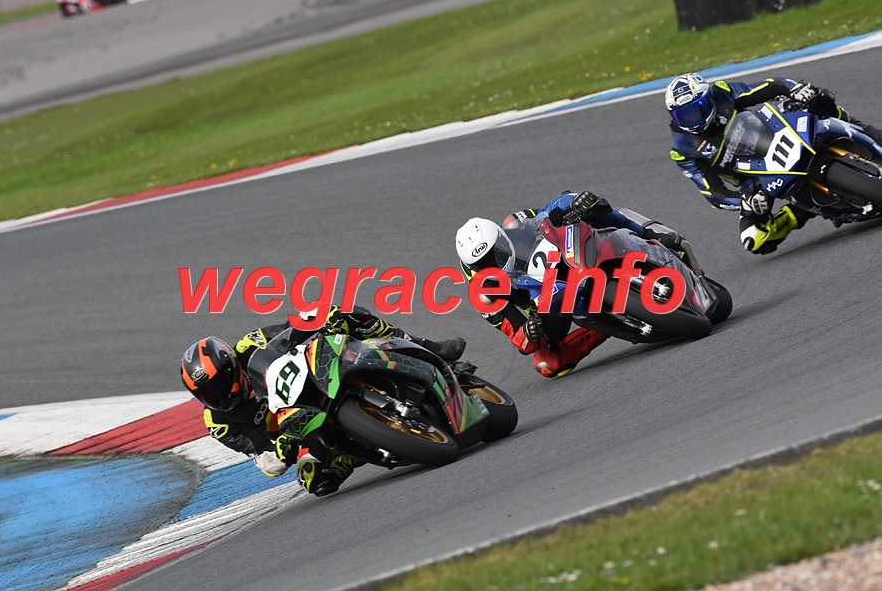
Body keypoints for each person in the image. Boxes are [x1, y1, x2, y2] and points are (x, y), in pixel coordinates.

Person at [180, 305, 466, 496]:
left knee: (349, 314)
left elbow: (291, 330)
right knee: (314, 478)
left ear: (230, 367)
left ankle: (426, 346)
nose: (216, 397)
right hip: (301, 428)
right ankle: (365, 446)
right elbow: (261, 457)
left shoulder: (248, 345)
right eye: (205, 394)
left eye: (217, 386)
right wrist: (279, 453)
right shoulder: (219, 422)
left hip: (315, 376)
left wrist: (321, 320)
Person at [455, 190, 683, 379]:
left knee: (590, 206)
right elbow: (518, 338)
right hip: (545, 302)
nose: (493, 262)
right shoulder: (484, 294)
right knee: (547, 364)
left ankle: (647, 233)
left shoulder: (514, 224)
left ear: (500, 237)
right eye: (483, 263)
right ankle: (609, 325)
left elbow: (550, 209)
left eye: (495, 252)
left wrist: (574, 201)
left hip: (564, 255)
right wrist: (529, 331)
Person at [665, 72, 882, 255]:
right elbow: (714, 194)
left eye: (694, 112)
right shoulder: (682, 150)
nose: (690, 120)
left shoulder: (722, 92)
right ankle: (801, 209)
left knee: (817, 99)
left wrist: (795, 89)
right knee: (754, 238)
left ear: (708, 100)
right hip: (753, 178)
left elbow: (769, 87)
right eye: (682, 116)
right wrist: (744, 201)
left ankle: (868, 134)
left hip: (771, 134)